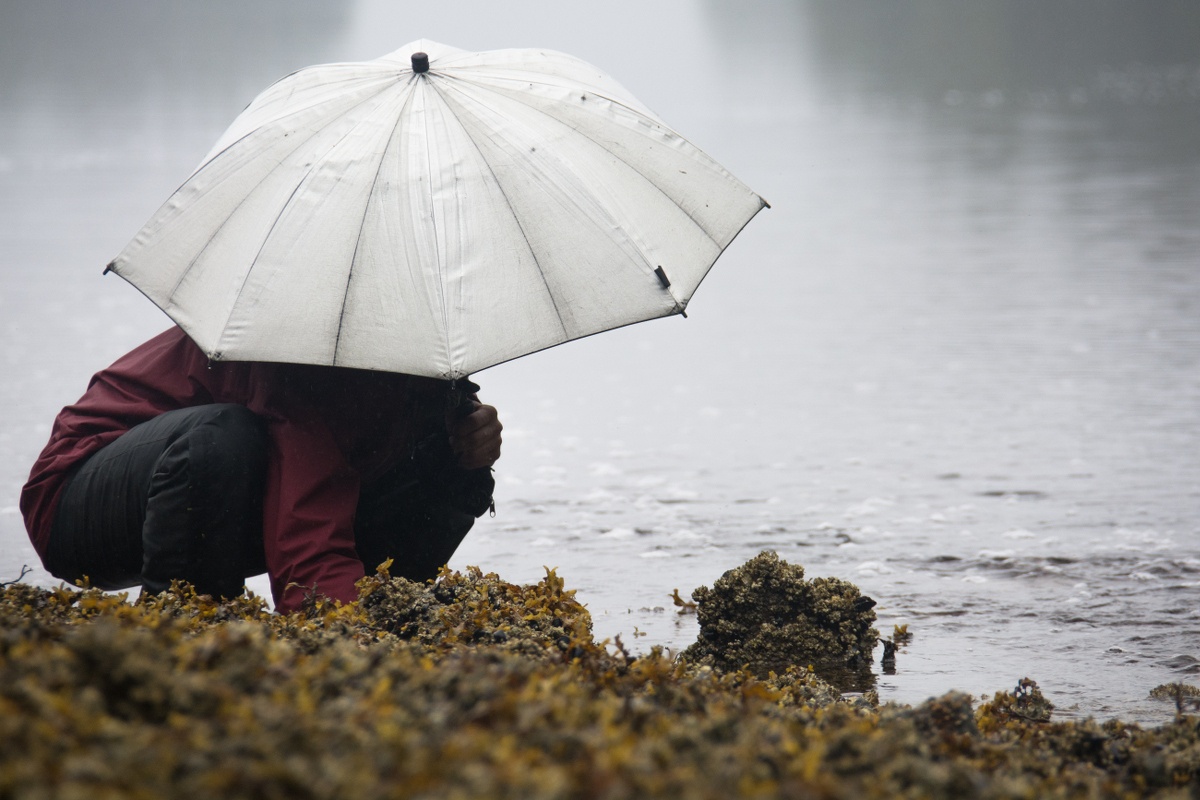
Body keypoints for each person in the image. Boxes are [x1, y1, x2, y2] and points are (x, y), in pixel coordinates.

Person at [20, 326, 502, 613]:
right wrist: (347, 637)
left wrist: (470, 450)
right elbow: (307, 550)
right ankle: (190, 625)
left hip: (215, 494)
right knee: (222, 434)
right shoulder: (304, 353)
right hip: (78, 499)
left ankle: (385, 603)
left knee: (449, 458)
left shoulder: (420, 370)